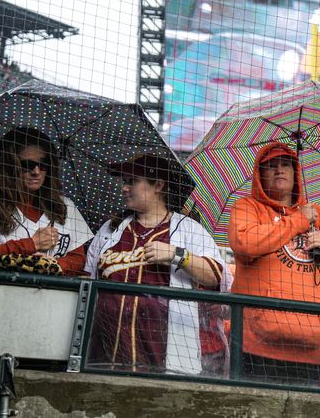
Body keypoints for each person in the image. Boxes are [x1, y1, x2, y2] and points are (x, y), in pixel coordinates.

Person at [84, 153, 232, 375]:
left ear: (158, 186)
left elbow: (215, 276)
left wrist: (177, 255)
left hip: (165, 351)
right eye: (124, 181)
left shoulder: (188, 228)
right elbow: (87, 277)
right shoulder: (110, 229)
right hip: (105, 349)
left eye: (132, 181)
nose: (124, 188)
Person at [228, 142, 320, 385]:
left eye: (285, 165)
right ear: (260, 176)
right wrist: (297, 221)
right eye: (271, 166)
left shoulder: (318, 214)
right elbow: (245, 243)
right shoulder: (247, 207)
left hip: (311, 345)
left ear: (296, 174)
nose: (279, 170)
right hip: (256, 344)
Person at [0, 127, 91, 275]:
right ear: (9, 166)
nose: (36, 172)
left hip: (54, 295)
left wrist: (50, 265)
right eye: (27, 165)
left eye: (43, 164)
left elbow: (78, 259)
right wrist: (31, 245)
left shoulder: (65, 206)